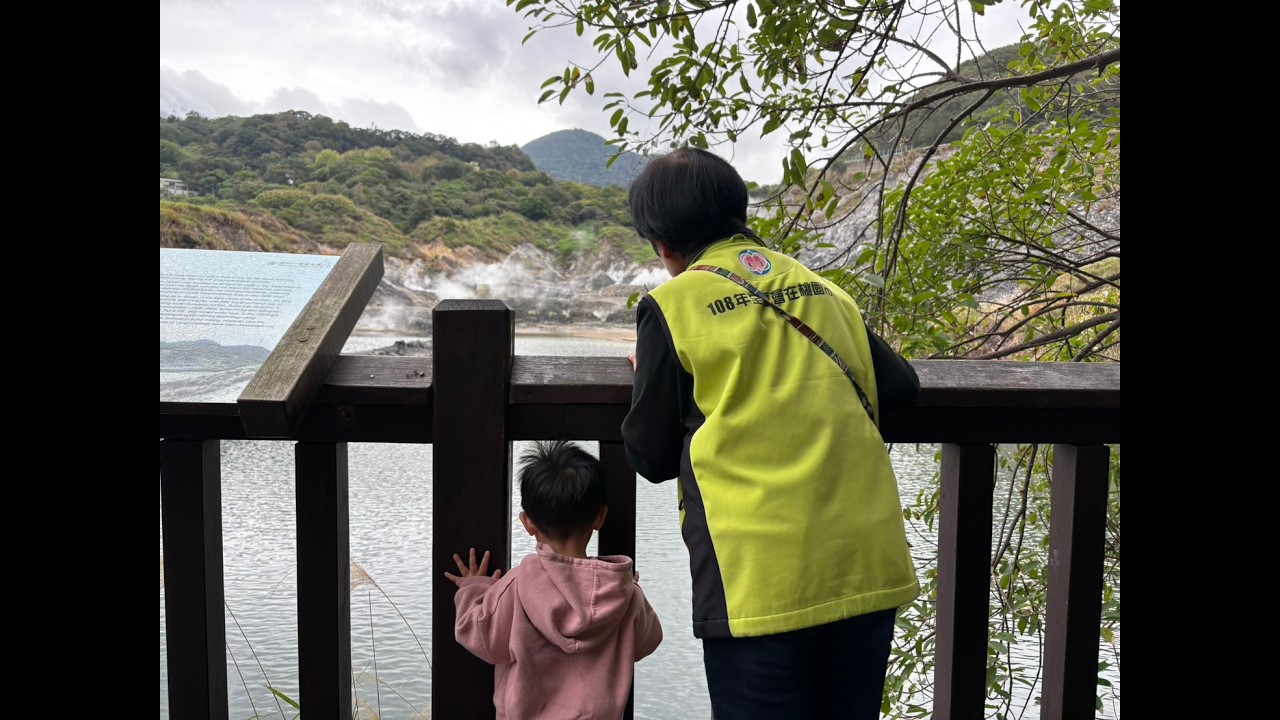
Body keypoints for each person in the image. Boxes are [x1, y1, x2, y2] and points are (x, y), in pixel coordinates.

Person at [621, 147, 922, 719]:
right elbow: (901, 393)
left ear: (661, 241)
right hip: (864, 563)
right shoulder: (821, 289)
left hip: (759, 581)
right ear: (738, 211)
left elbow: (652, 455)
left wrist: (648, 379)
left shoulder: (671, 305)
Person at [444, 439, 664, 720]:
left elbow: (479, 634)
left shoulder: (518, 585)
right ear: (600, 517)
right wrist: (631, 589)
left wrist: (472, 587)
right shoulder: (624, 593)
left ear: (528, 523)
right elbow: (648, 640)